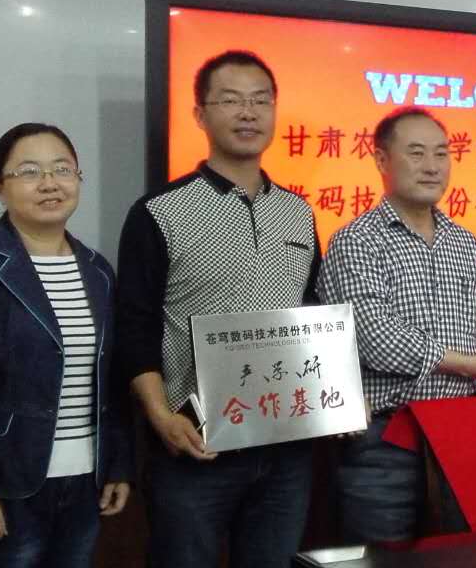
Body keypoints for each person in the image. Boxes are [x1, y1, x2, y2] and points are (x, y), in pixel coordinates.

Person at [115, 51, 321, 568]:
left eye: (260, 101)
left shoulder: (298, 212)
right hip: (194, 444)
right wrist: (160, 416)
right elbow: (135, 326)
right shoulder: (158, 212)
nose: (248, 112)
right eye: (230, 100)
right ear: (199, 115)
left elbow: (311, 315)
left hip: (285, 448)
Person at [316, 107, 476, 543]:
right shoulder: (357, 241)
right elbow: (374, 337)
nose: (432, 166)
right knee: (381, 559)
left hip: (460, 439)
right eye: (416, 153)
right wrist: (468, 365)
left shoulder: (466, 244)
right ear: (381, 160)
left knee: (458, 556)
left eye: (441, 153)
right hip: (384, 442)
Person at [0, 123, 132, 566]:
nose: (50, 183)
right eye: (29, 172)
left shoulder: (98, 270)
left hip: (86, 485)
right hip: (6, 488)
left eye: (63, 169)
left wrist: (117, 464)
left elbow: (110, 381)